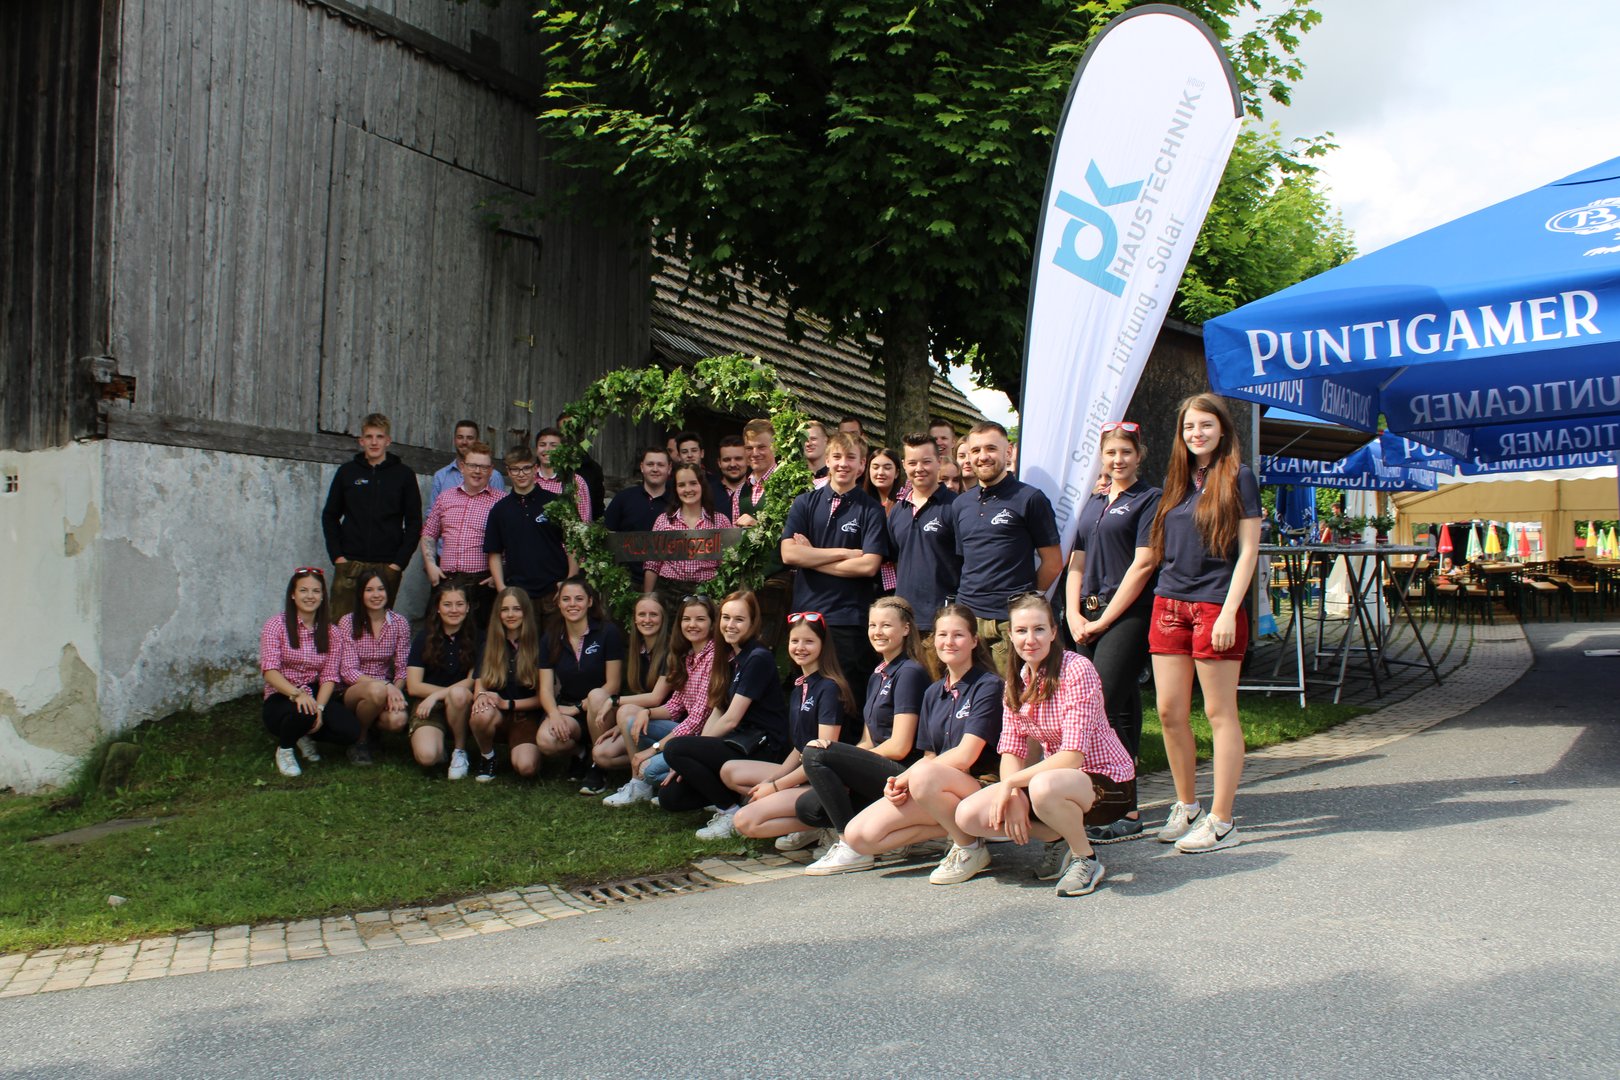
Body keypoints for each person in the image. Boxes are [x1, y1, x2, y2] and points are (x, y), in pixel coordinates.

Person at [947, 594, 1136, 896]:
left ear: (1053, 632)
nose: (1030, 639)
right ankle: (1058, 840)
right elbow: (1011, 749)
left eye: (1038, 629)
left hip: (1107, 782)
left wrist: (1011, 785)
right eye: (1021, 631)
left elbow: (1073, 757)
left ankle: (1085, 859)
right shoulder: (1017, 680)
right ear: (1011, 636)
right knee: (968, 815)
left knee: (1042, 786)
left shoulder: (1077, 669)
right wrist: (1013, 795)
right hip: (1056, 782)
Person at [1149, 393, 1263, 853]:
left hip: (1215, 606)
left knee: (1220, 713)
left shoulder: (1239, 476)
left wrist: (1231, 610)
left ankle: (1222, 820)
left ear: (1222, 429)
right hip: (1168, 604)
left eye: (1205, 425)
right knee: (1169, 712)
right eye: (1189, 426)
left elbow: (1249, 550)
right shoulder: (1177, 481)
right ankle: (1187, 806)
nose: (1197, 433)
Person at [842, 604, 1002, 871]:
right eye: (942, 635)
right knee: (859, 836)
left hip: (980, 785)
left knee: (924, 776)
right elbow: (930, 756)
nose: (949, 642)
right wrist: (900, 782)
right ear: (934, 640)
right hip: (937, 786)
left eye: (958, 635)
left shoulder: (988, 685)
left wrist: (910, 777)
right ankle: (951, 828)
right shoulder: (933, 692)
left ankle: (969, 847)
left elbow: (966, 756)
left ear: (974, 640)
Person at [1064, 421, 1161, 842]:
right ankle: (1114, 804)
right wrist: (1072, 614)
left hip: (1126, 614)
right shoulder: (1095, 501)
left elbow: (1144, 564)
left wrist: (1104, 621)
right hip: (1085, 615)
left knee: (1102, 706)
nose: (1117, 460)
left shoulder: (1150, 499)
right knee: (1116, 709)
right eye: (1110, 453)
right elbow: (1077, 562)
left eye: (1125, 452)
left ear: (1139, 455)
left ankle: (1126, 809)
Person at [798, 597, 932, 875]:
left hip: (904, 772)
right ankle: (874, 835)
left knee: (817, 753)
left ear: (906, 629)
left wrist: (839, 758)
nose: (877, 632)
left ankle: (852, 847)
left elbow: (899, 746)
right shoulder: (878, 675)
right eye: (873, 625)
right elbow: (867, 741)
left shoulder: (910, 672)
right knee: (809, 807)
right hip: (879, 767)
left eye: (886, 625)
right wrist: (846, 765)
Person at [658, 591, 791, 837]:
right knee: (670, 797)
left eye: (739, 619)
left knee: (675, 748)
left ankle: (728, 811)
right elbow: (719, 709)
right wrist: (692, 755)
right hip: (737, 742)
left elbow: (731, 719)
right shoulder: (730, 657)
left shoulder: (758, 658)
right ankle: (733, 797)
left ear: (753, 622)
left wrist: (690, 751)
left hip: (763, 746)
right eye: (726, 617)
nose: (730, 625)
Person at [730, 611, 859, 843]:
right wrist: (771, 781)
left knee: (745, 821)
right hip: (805, 774)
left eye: (809, 641)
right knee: (730, 772)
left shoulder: (829, 688)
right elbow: (799, 749)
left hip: (829, 780)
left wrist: (776, 787)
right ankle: (811, 820)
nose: (800, 647)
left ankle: (828, 823)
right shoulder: (800, 687)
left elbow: (823, 757)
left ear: (823, 645)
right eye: (795, 640)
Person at [780, 431, 887, 704]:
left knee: (845, 698)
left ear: (862, 465)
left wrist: (811, 558)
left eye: (851, 457)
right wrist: (844, 553)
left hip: (847, 620)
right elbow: (789, 554)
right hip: (806, 616)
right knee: (807, 698)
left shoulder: (872, 510)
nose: (843, 464)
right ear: (827, 460)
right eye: (837, 456)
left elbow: (868, 566)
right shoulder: (804, 503)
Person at [951, 422, 1062, 669]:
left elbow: (1053, 563)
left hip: (1010, 622)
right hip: (968, 618)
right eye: (976, 450)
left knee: (1012, 691)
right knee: (969, 691)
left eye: (991, 448)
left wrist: (1025, 602)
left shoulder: (1030, 499)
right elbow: (964, 561)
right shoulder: (960, 504)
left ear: (1008, 451)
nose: (983, 456)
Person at [601, 594, 727, 807]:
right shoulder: (688, 655)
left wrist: (654, 749)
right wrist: (647, 712)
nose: (692, 625)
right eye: (686, 619)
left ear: (712, 623)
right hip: (687, 732)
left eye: (700, 619)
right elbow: (675, 706)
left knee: (649, 769)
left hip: (705, 738)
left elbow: (697, 720)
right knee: (633, 721)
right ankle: (640, 785)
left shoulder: (714, 657)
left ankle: (705, 786)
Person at [259, 568, 362, 777]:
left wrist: (320, 708)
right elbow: (270, 671)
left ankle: (302, 734)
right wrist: (297, 694)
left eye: (316, 591)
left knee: (351, 731)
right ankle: (285, 749)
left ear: (323, 596)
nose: (310, 596)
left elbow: (329, 675)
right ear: (293, 594)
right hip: (282, 694)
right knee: (304, 710)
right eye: (303, 590)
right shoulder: (276, 625)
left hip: (315, 692)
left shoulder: (332, 632)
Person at [320, 412, 421, 618]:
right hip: (350, 564)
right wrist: (338, 557)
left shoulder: (404, 475)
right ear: (361, 441)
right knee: (341, 624)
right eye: (369, 437)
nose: (374, 442)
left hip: (386, 566)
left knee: (378, 627)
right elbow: (330, 515)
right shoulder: (347, 472)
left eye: (379, 437)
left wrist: (398, 563)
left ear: (388, 441)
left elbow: (414, 522)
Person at [537, 575, 624, 790]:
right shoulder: (551, 637)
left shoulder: (607, 632)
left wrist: (577, 708)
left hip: (602, 709)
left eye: (579, 598)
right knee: (546, 741)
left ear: (590, 602)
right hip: (569, 709)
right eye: (566, 599)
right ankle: (580, 753)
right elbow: (545, 688)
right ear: (558, 603)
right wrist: (554, 714)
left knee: (596, 695)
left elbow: (613, 684)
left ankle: (598, 766)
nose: (572, 604)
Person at [582, 593, 670, 786]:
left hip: (666, 722)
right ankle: (616, 769)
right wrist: (620, 725)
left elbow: (655, 698)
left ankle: (639, 781)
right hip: (642, 720)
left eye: (653, 614)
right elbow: (638, 694)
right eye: (642, 614)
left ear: (663, 618)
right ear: (635, 619)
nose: (647, 620)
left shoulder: (671, 650)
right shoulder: (638, 650)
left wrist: (615, 701)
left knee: (624, 709)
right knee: (601, 754)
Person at [889, 433, 960, 667]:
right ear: (903, 465)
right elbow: (894, 560)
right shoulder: (897, 511)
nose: (919, 469)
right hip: (904, 623)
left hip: (942, 623)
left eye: (926, 461)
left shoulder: (956, 506)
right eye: (912, 462)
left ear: (939, 462)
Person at [485, 443, 578, 620]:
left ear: (535, 468)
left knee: (555, 638)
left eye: (526, 468)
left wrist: (569, 581)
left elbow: (574, 544)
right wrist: (502, 589)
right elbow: (494, 552)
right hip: (519, 594)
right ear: (508, 472)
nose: (521, 474)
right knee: (523, 639)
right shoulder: (500, 510)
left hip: (554, 590)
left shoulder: (556, 503)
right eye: (515, 469)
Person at [420, 441, 505, 632]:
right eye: (473, 465)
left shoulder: (501, 502)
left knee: (479, 638)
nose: (477, 471)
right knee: (436, 635)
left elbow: (512, 542)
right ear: (463, 467)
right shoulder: (446, 498)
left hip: (481, 584)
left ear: (491, 470)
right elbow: (429, 533)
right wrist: (431, 565)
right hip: (446, 581)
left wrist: (500, 575)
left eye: (483, 467)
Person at [468, 587, 545, 782]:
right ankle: (487, 756)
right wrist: (482, 697)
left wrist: (508, 704)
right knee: (480, 712)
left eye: (516, 609)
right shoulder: (489, 644)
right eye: (505, 609)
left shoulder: (539, 645)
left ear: (525, 612)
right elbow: (479, 688)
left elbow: (544, 698)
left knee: (526, 767)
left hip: (526, 716)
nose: (510, 615)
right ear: (498, 614)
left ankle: (528, 749)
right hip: (496, 713)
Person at [335, 569, 411, 765]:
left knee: (398, 721)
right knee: (376, 690)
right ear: (361, 594)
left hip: (386, 689)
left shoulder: (399, 623)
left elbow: (402, 668)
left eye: (380, 589)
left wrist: (396, 691)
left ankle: (372, 729)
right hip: (352, 690)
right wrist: (385, 686)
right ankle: (359, 741)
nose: (376, 595)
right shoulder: (348, 622)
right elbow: (348, 671)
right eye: (369, 590)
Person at [406, 582, 478, 779]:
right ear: (438, 608)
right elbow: (413, 686)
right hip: (429, 706)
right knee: (428, 757)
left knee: (458, 694)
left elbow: (472, 681)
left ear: (468, 607)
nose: (454, 610)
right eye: (447, 604)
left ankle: (459, 751)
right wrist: (435, 698)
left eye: (459, 604)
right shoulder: (424, 638)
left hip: (462, 704)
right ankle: (440, 747)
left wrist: (437, 695)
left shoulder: (478, 638)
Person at [644, 462, 732, 610]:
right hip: (669, 592)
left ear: (702, 485)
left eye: (693, 483)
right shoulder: (663, 521)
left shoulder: (720, 521)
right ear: (675, 489)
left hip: (708, 592)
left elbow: (727, 566)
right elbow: (652, 565)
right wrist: (647, 600)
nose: (688, 489)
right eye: (681, 485)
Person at [605, 446, 673, 584]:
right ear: (642, 467)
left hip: (668, 583)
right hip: (627, 582)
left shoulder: (677, 501)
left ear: (669, 468)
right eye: (650, 464)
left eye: (660, 465)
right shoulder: (623, 498)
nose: (655, 469)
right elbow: (606, 535)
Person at [428, 420, 506, 512]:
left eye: (470, 438)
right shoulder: (441, 476)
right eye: (460, 437)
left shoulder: (493, 476)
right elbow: (432, 513)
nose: (464, 442)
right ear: (454, 440)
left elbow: (501, 511)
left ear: (477, 441)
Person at [533, 427, 594, 522]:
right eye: (542, 445)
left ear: (562, 450)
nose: (547, 449)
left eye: (553, 445)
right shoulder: (528, 478)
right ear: (536, 450)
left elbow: (584, 521)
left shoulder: (576, 482)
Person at [556, 410, 605, 521]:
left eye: (573, 430)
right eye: (564, 431)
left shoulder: (593, 469)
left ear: (581, 434)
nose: (568, 436)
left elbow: (597, 508)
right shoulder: (549, 466)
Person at [712, 434, 749, 521]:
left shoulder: (758, 491)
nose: (732, 464)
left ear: (748, 460)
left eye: (738, 459)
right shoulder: (707, 493)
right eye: (727, 460)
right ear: (719, 463)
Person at [803, 421, 830, 487]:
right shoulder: (795, 477)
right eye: (805, 440)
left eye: (813, 439)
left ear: (826, 441)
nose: (809, 444)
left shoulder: (836, 476)